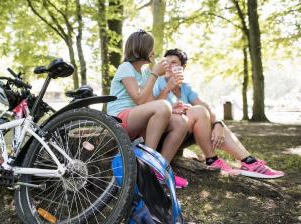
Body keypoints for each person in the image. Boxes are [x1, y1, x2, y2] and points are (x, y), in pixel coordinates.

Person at [152, 48, 284, 178]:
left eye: (174, 62)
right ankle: (212, 160)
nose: (169, 65)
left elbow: (206, 106)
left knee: (210, 119)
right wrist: (167, 88)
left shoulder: (185, 87)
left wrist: (218, 124)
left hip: (185, 133)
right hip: (167, 135)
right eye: (166, 61)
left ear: (183, 67)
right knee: (198, 111)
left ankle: (249, 162)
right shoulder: (158, 82)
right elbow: (154, 108)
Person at [107, 31, 189, 188]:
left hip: (137, 118)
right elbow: (138, 98)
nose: (154, 52)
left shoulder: (144, 74)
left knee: (181, 122)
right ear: (141, 49)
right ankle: (148, 165)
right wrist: (154, 74)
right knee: (164, 107)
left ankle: (160, 170)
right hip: (119, 118)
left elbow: (153, 104)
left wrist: (172, 108)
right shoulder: (126, 68)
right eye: (151, 47)